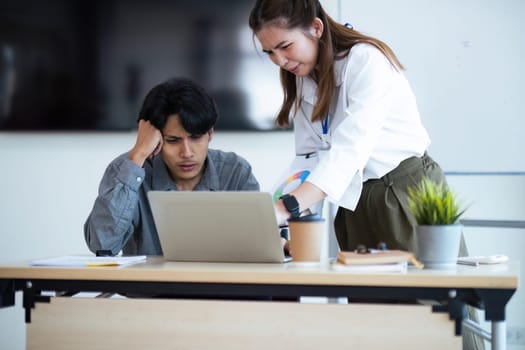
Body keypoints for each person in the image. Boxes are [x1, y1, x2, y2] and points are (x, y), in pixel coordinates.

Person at [249, 2, 483, 349]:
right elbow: (308, 161)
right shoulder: (304, 78)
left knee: (436, 317)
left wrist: (286, 209)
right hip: (355, 201)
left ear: (316, 28)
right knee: (373, 320)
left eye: (284, 47)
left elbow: (348, 152)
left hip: (404, 191)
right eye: (269, 52)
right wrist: (270, 210)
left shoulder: (365, 60)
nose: (279, 61)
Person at [84, 77, 259, 256]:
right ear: (155, 138)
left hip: (219, 283)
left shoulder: (235, 172)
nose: (187, 153)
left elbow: (257, 244)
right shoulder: (126, 170)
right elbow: (101, 246)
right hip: (151, 284)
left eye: (196, 137)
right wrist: (138, 155)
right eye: (173, 140)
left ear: (210, 134)